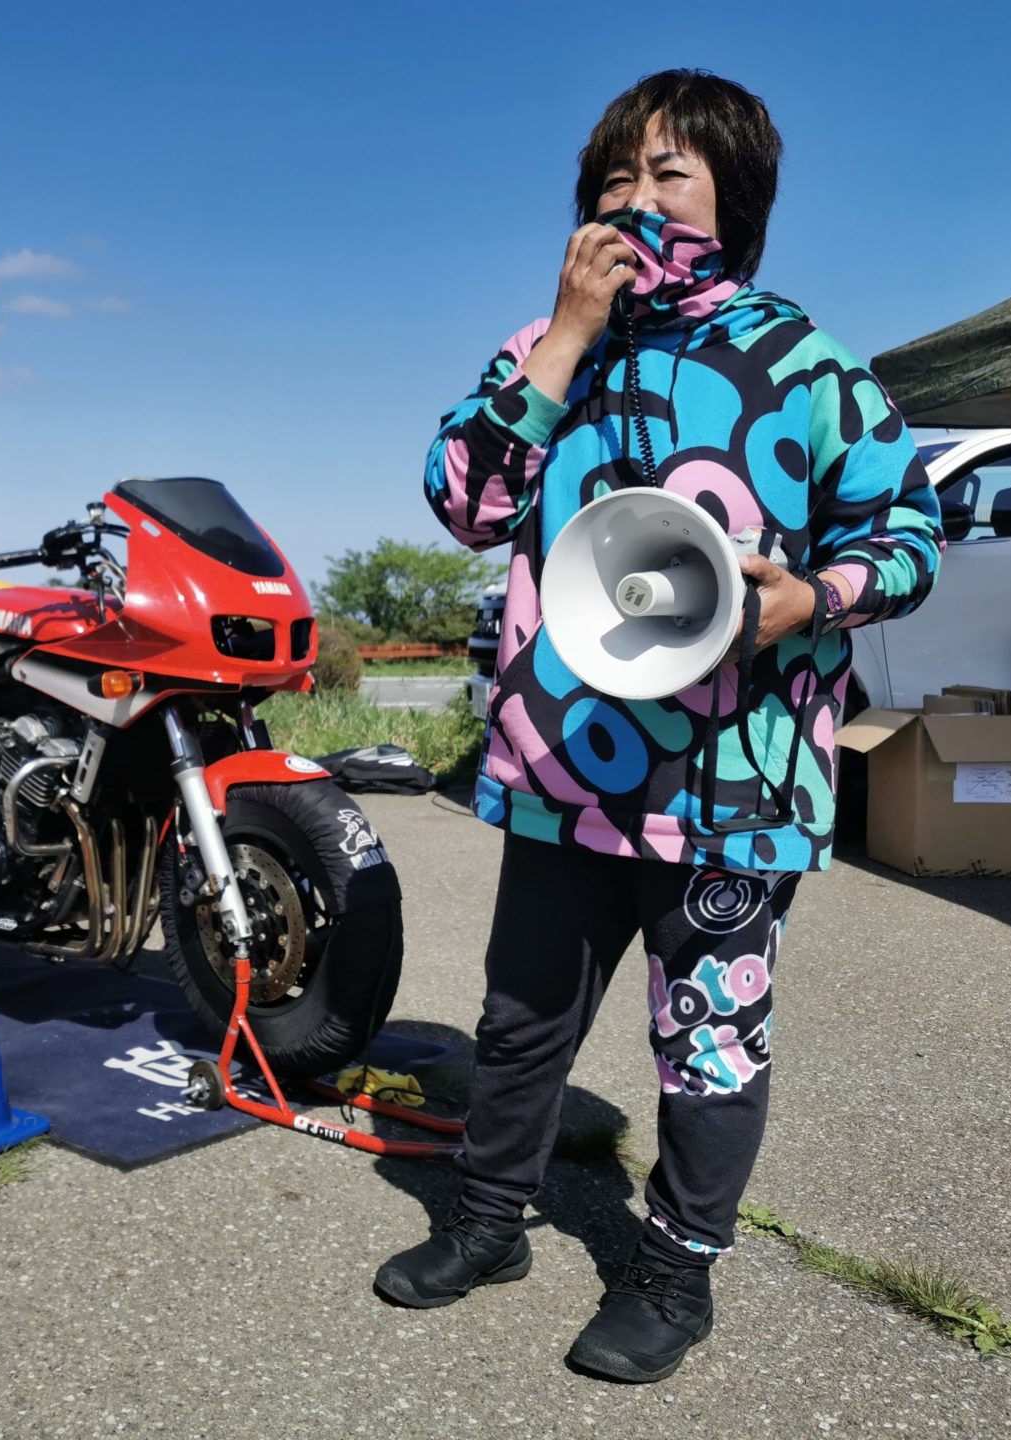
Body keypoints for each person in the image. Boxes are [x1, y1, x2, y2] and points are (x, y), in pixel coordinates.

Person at [378, 70, 942, 1383]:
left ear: (735, 200)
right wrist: (565, 339)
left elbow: (910, 541)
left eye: (668, 174)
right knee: (521, 1024)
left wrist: (812, 595)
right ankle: (486, 1224)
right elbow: (462, 500)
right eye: (613, 181)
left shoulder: (806, 365)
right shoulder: (550, 351)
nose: (634, 200)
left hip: (732, 788)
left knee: (707, 1042)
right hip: (562, 775)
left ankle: (677, 1276)